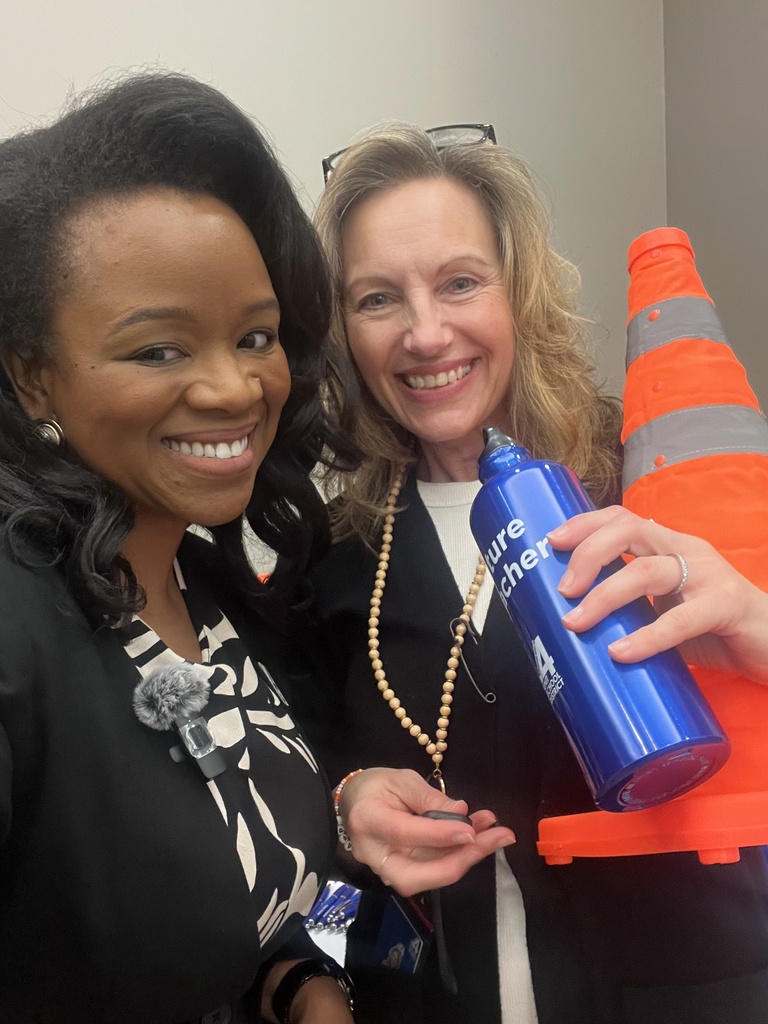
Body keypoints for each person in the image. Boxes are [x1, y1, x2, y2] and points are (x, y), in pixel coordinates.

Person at [0, 82, 515, 1024]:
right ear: (33, 376)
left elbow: (261, 893)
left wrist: (299, 984)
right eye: (159, 350)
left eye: (255, 337)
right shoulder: (20, 625)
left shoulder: (215, 597)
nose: (234, 388)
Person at [309, 122, 768, 1024]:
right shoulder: (332, 561)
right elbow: (296, 842)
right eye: (375, 299)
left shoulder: (657, 475)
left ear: (519, 292)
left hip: (694, 987)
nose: (426, 332)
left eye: (460, 282)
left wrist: (759, 627)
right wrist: (344, 807)